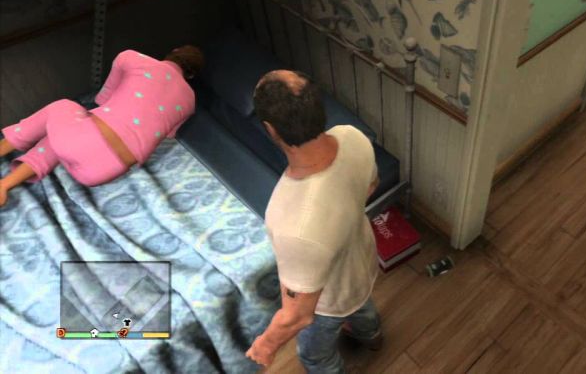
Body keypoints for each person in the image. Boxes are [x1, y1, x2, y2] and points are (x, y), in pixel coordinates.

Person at [246, 70, 383, 373]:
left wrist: (265, 345)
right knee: (362, 305)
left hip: (329, 301)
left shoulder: (292, 219)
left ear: (271, 129)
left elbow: (298, 315)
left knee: (315, 357)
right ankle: (372, 336)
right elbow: (371, 185)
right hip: (363, 261)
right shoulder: (353, 137)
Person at [0, 46, 203, 207]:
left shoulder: (133, 58)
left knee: (64, 107)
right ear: (191, 75)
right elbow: (168, 133)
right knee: (60, 137)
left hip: (79, 143)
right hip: (99, 174)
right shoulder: (189, 102)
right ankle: (4, 185)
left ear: (174, 51)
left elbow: (102, 98)